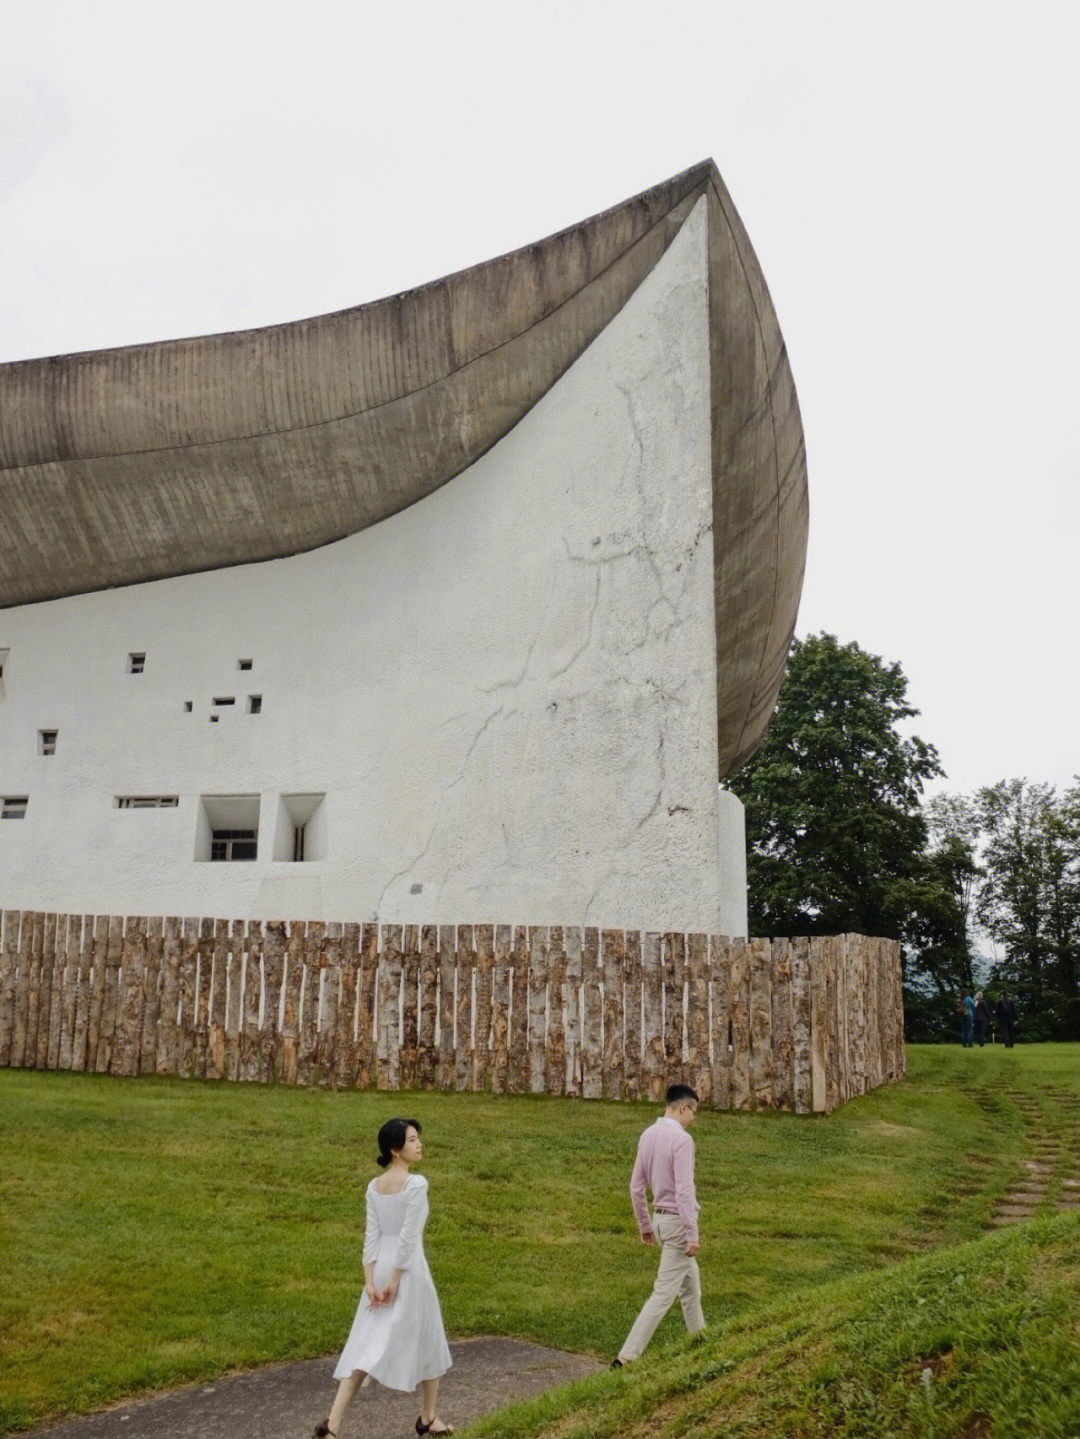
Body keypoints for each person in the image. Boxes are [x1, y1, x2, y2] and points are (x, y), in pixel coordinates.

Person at [313, 1118, 453, 1439]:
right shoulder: (416, 1184)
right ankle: (428, 1418)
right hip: (407, 1270)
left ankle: (332, 1424)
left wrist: (370, 1279)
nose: (419, 1145)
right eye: (413, 1140)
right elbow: (407, 1237)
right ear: (395, 1150)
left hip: (381, 1270)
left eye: (418, 1139)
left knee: (365, 1343)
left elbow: (371, 1238)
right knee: (428, 1337)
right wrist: (392, 1280)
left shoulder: (373, 1187)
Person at [612, 1083, 705, 1367]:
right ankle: (626, 1358)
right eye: (693, 1113)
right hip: (678, 1225)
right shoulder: (682, 1141)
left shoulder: (648, 1135)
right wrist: (692, 1232)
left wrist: (645, 1225)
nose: (693, 1119)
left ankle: (701, 1341)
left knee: (690, 1288)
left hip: (661, 1222)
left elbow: (635, 1187)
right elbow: (684, 1190)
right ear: (682, 1108)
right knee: (664, 1293)